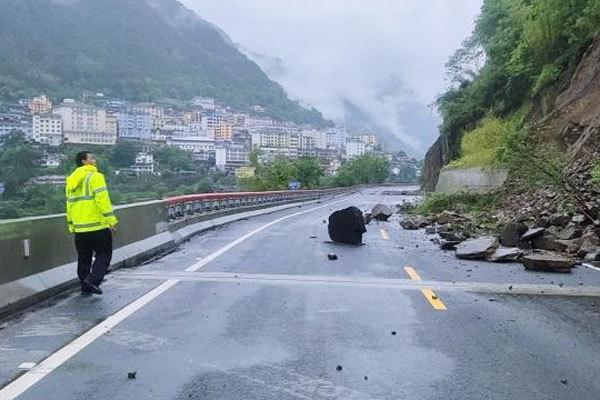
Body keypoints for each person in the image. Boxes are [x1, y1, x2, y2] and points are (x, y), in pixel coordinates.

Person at [65, 151, 118, 295]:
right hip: (97, 225)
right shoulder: (96, 177)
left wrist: (71, 225)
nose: (95, 160)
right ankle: (93, 281)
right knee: (104, 254)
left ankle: (85, 286)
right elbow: (103, 200)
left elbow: (69, 205)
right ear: (84, 161)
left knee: (84, 258)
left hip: (80, 229)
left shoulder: (70, 180)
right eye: (92, 158)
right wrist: (111, 220)